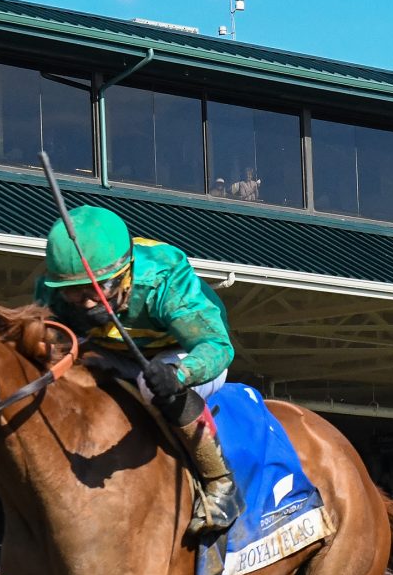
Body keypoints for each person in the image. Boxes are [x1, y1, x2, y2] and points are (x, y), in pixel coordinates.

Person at [34, 205, 242, 537]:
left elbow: (217, 347)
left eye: (98, 289)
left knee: (152, 383)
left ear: (126, 274)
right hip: (114, 351)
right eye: (75, 292)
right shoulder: (55, 289)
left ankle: (220, 482)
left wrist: (179, 375)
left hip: (186, 351)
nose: (86, 302)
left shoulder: (164, 281)